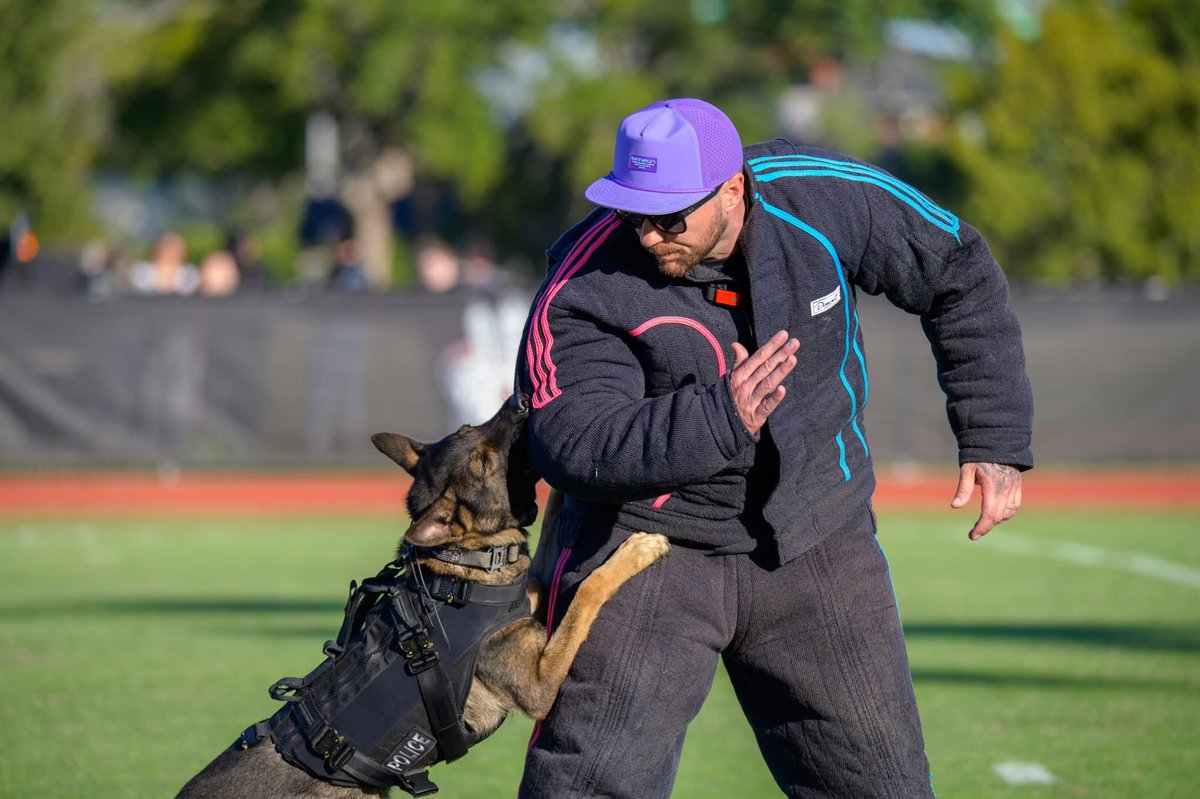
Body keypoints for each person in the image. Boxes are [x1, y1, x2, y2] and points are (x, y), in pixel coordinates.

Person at [514, 98, 1032, 798]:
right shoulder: (581, 282)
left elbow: (958, 266)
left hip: (819, 537)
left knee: (885, 789)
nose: (646, 234)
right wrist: (719, 418)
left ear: (733, 189)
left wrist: (994, 436)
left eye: (670, 216)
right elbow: (572, 439)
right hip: (647, 550)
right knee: (584, 788)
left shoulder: (822, 196)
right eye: (633, 212)